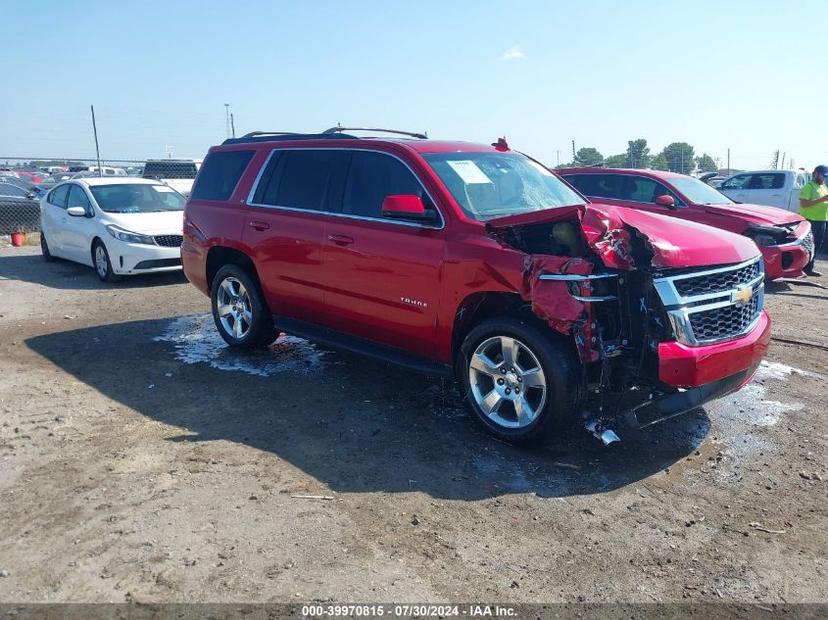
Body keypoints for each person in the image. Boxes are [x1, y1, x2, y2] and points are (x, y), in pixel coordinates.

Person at [799, 165, 828, 277]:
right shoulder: (809, 186)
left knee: (816, 246)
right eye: (823, 176)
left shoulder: (823, 186)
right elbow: (804, 204)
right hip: (810, 220)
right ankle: (801, 268)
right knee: (807, 245)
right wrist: (822, 200)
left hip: (822, 220)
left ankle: (809, 268)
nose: (824, 178)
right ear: (815, 174)